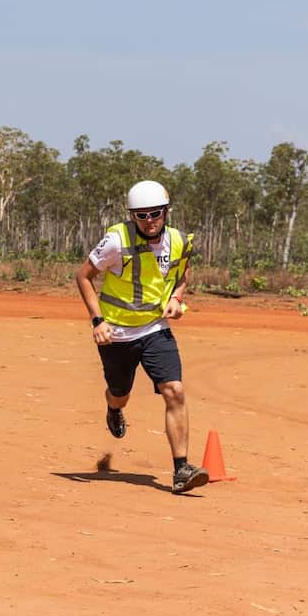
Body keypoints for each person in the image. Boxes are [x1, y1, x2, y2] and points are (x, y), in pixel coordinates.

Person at [75, 179, 207, 495]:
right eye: (142, 215)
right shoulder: (115, 241)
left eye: (156, 214)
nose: (150, 221)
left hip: (154, 329)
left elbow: (183, 271)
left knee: (174, 390)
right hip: (116, 334)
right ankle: (113, 407)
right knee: (119, 392)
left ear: (166, 212)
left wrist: (176, 298)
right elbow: (83, 276)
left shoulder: (177, 241)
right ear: (133, 216)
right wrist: (97, 320)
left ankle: (181, 470)